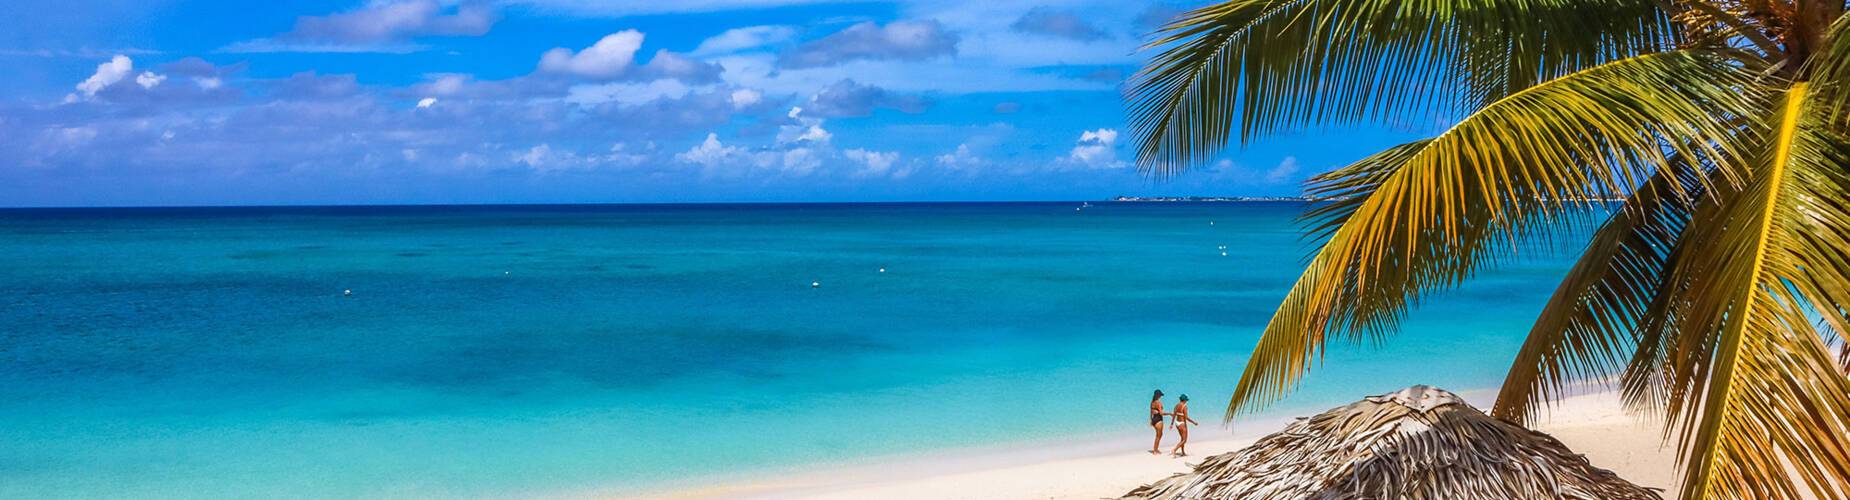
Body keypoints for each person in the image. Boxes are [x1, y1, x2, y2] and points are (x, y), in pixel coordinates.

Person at [1149, 389, 1169, 455]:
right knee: (1158, 435)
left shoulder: (1152, 402)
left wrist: (1151, 420)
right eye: (1160, 395)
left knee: (1159, 435)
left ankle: (1156, 449)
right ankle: (1155, 450)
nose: (1160, 396)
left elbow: (1151, 412)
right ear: (1158, 395)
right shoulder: (1158, 403)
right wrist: (1169, 414)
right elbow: (1161, 413)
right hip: (1158, 419)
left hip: (1154, 419)